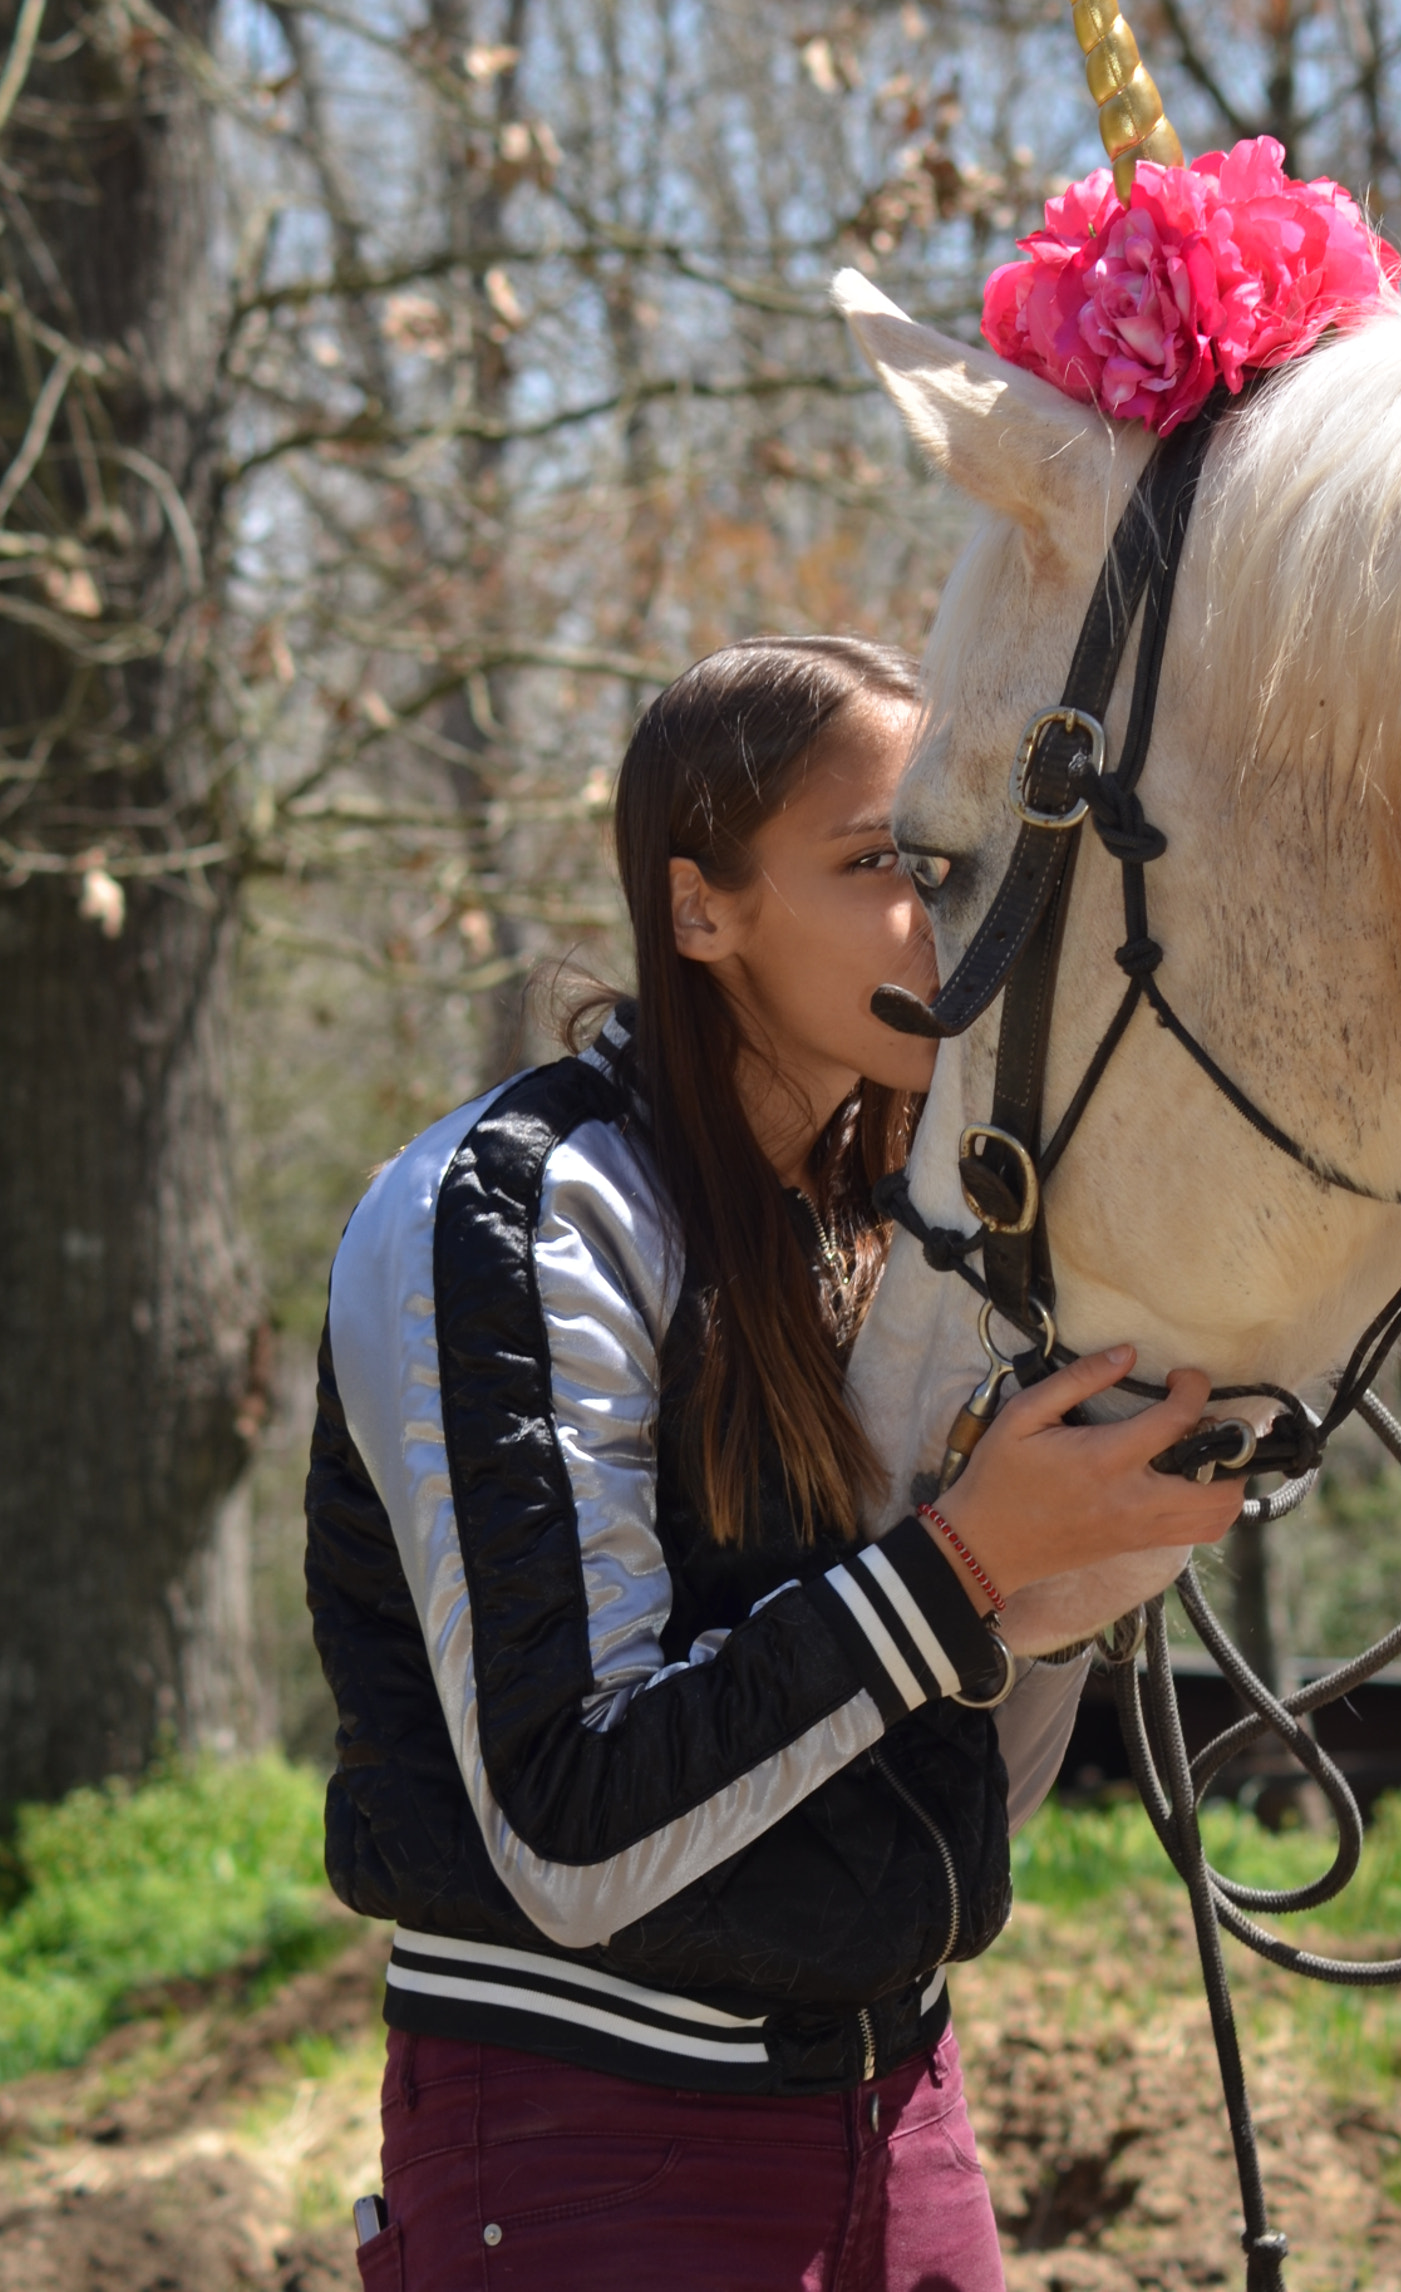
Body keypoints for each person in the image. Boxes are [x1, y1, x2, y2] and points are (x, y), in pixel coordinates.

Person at [307, 633, 1241, 2291]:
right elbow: (574, 1825)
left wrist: (1104, 1528)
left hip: (906, 2111)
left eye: (964, 859)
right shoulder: (521, 1214)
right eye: (886, 862)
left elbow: (948, 1770)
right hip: (590, 2136)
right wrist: (959, 1563)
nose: (951, 916)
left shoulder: (913, 1224)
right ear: (700, 912)